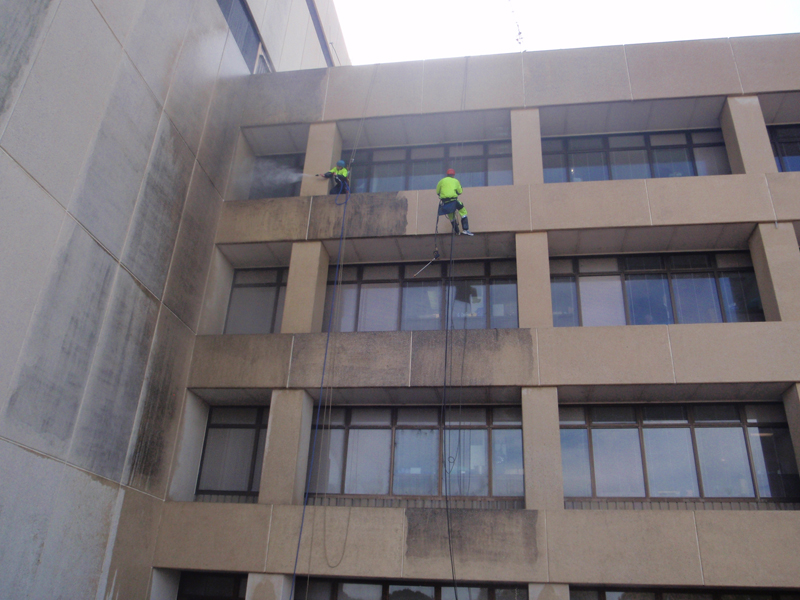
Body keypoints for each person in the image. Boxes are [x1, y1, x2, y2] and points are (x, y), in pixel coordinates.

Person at [436, 168, 473, 235]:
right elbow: (460, 191)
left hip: (445, 203)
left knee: (451, 217)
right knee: (463, 211)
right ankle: (465, 229)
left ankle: (457, 232)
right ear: (453, 175)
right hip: (454, 201)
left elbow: (438, 192)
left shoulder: (441, 181)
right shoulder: (456, 181)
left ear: (447, 174)